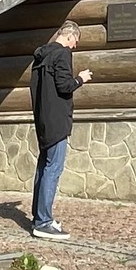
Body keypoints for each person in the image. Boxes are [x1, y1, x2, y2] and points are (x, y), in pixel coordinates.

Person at [29, 20, 92, 240]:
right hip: (57, 121)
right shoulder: (62, 54)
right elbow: (64, 86)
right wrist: (80, 79)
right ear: (70, 36)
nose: (75, 46)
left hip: (43, 119)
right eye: (76, 41)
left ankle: (39, 217)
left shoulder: (40, 56)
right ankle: (43, 222)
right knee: (53, 169)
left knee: (43, 168)